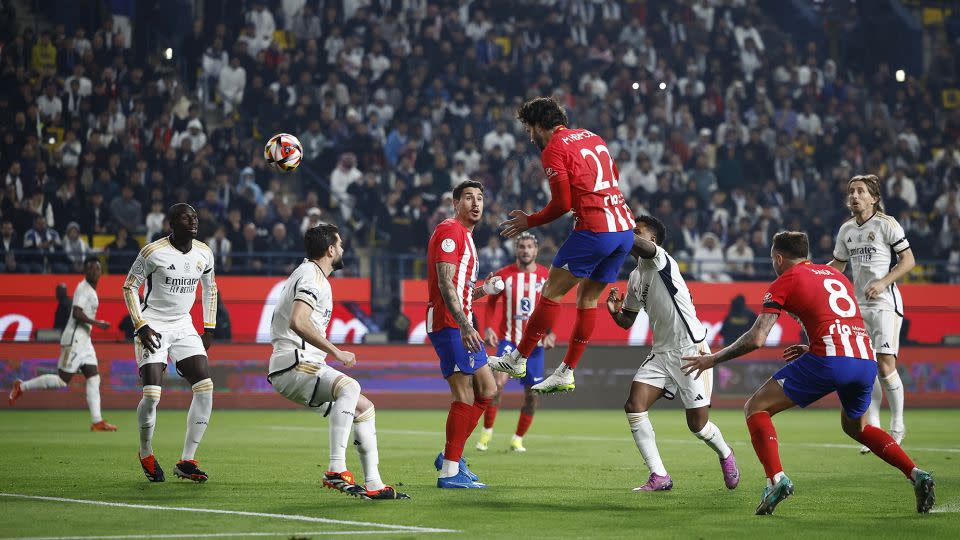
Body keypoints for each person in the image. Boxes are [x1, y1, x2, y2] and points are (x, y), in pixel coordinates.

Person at [681, 231, 934, 515]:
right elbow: (838, 320)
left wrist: (713, 359)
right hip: (864, 358)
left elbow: (757, 337)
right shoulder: (835, 276)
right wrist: (812, 345)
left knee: (756, 407)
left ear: (778, 258)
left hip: (830, 359)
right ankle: (916, 474)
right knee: (857, 427)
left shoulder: (784, 280)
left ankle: (776, 479)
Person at [491, 97, 636, 394]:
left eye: (530, 130)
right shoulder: (592, 137)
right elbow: (614, 177)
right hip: (623, 228)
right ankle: (566, 371)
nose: (531, 138)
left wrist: (530, 221)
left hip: (595, 230)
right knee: (587, 299)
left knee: (551, 292)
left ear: (539, 125)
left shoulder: (554, 149)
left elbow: (562, 204)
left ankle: (518, 359)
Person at [267, 223, 408, 499]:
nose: (343, 249)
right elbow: (298, 321)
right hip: (294, 362)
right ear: (331, 250)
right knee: (350, 387)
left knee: (364, 409)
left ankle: (375, 484)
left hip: (304, 364)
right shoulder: (312, 276)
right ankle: (335, 468)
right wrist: (337, 351)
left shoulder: (312, 274)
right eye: (340, 245)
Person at [606, 215, 739, 492]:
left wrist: (614, 228)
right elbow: (628, 321)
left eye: (636, 232)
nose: (631, 235)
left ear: (651, 240)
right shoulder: (634, 276)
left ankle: (725, 452)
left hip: (691, 352)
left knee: (698, 427)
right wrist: (615, 312)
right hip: (661, 353)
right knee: (634, 405)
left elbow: (642, 247)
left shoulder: (661, 260)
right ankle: (659, 475)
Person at [122, 203, 218, 483]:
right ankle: (145, 451)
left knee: (205, 387)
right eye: (186, 217)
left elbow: (210, 288)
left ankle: (187, 461)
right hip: (153, 324)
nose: (193, 221)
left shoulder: (204, 252)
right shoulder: (152, 252)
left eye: (195, 217)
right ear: (171, 224)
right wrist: (140, 325)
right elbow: (129, 286)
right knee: (152, 395)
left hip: (183, 325)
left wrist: (209, 327)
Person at [828, 174, 914, 451]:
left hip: (885, 304)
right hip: (858, 307)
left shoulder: (887, 224)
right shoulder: (846, 230)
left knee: (885, 364)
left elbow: (908, 260)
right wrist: (814, 275)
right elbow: (838, 266)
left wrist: (883, 282)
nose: (854, 195)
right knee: (867, 367)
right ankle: (873, 427)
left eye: (860, 191)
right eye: (851, 191)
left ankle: (898, 425)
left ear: (873, 198)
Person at [427, 180, 504, 488]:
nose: (476, 203)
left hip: (460, 320)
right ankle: (450, 471)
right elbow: (445, 285)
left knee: (488, 390)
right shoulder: (450, 231)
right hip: (450, 323)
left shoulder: (466, 237)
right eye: (468, 197)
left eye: (480, 198)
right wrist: (464, 323)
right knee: (465, 394)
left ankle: (451, 456)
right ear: (454, 203)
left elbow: (460, 288)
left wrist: (485, 289)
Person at [9, 259, 117, 431]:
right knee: (62, 380)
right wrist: (98, 323)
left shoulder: (90, 290)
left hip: (85, 341)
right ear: (85, 270)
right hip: (74, 340)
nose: (95, 271)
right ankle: (21, 386)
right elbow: (76, 313)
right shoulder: (83, 288)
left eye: (97, 268)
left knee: (94, 377)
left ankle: (97, 421)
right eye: (91, 268)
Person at [478, 232, 554, 453]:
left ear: (536, 250)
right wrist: (489, 327)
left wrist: (551, 332)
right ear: (516, 249)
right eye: (522, 246)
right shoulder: (504, 275)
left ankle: (517, 439)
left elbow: (552, 306)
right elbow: (491, 303)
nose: (526, 250)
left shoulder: (545, 276)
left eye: (530, 246)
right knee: (497, 386)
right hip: (509, 341)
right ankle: (486, 434)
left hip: (535, 346)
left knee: (532, 394)